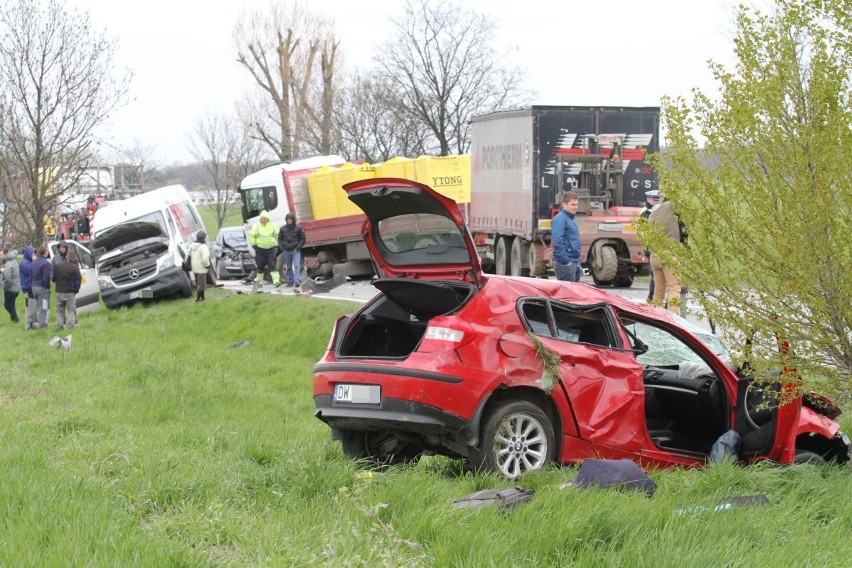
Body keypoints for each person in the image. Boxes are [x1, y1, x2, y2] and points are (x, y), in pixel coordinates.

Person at [647, 197, 684, 316]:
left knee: (658, 291)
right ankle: (674, 319)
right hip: (669, 253)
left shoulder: (653, 214)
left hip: (655, 255)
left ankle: (654, 317)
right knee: (674, 288)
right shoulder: (671, 206)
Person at [551, 190, 583, 282]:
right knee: (566, 295)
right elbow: (557, 241)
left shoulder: (571, 219)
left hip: (574, 261)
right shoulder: (560, 219)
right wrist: (565, 262)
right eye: (572, 205)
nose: (575, 207)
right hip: (566, 263)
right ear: (564, 204)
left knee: (574, 294)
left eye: (576, 204)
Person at [249, 210, 280, 289]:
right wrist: (255, 246)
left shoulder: (273, 226)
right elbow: (252, 236)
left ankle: (276, 281)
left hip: (271, 249)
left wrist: (276, 245)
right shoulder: (256, 226)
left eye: (265, 218)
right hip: (260, 250)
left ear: (267, 219)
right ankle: (260, 282)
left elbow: (277, 235)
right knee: (260, 266)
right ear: (260, 219)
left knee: (272, 265)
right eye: (262, 219)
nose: (263, 220)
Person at [640, 189, 661, 302]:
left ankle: (653, 298)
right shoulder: (645, 213)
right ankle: (651, 297)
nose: (656, 202)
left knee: (656, 273)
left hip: (656, 246)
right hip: (650, 246)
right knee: (655, 273)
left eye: (658, 200)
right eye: (654, 200)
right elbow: (644, 232)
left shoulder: (654, 211)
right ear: (648, 199)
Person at [53, 248, 82, 329]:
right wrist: (76, 290)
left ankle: (60, 326)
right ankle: (71, 326)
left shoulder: (58, 266)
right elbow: (79, 279)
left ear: (66, 257)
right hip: (70, 292)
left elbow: (53, 278)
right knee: (71, 311)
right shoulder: (74, 267)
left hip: (59, 291)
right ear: (74, 258)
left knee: (60, 311)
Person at [278, 212, 305, 288]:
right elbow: (279, 239)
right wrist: (282, 248)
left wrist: (298, 247)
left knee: (296, 265)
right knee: (289, 267)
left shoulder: (298, 228)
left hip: (295, 250)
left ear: (293, 220)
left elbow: (302, 239)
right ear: (286, 220)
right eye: (288, 219)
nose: (289, 221)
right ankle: (290, 281)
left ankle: (296, 280)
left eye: (290, 219)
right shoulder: (282, 229)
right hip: (287, 251)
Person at [30, 244, 52, 329]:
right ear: (46, 252)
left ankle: (37, 323)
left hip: (33, 286)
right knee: (44, 306)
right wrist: (47, 286)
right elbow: (46, 276)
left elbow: (31, 275)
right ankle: (42, 326)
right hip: (42, 287)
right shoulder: (46, 263)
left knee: (38, 306)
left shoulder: (34, 262)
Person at [188, 230, 211, 302]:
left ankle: (202, 298)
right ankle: (198, 299)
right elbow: (205, 258)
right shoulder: (203, 246)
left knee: (199, 282)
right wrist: (207, 265)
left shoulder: (192, 245)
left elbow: (188, 254)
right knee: (201, 284)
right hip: (201, 268)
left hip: (194, 267)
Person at [19, 246, 37, 329]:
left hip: (32, 286)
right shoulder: (24, 263)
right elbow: (32, 270)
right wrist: (35, 261)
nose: (34, 255)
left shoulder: (28, 262)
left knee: (32, 306)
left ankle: (31, 323)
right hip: (28, 287)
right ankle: (28, 325)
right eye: (32, 253)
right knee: (29, 307)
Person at [2, 249, 21, 323]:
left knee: (7, 305)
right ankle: (14, 320)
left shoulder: (8, 265)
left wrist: (4, 288)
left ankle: (15, 319)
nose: (0, 257)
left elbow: (7, 279)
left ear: (5, 255)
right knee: (11, 305)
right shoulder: (14, 261)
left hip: (11, 288)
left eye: (1, 255)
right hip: (16, 287)